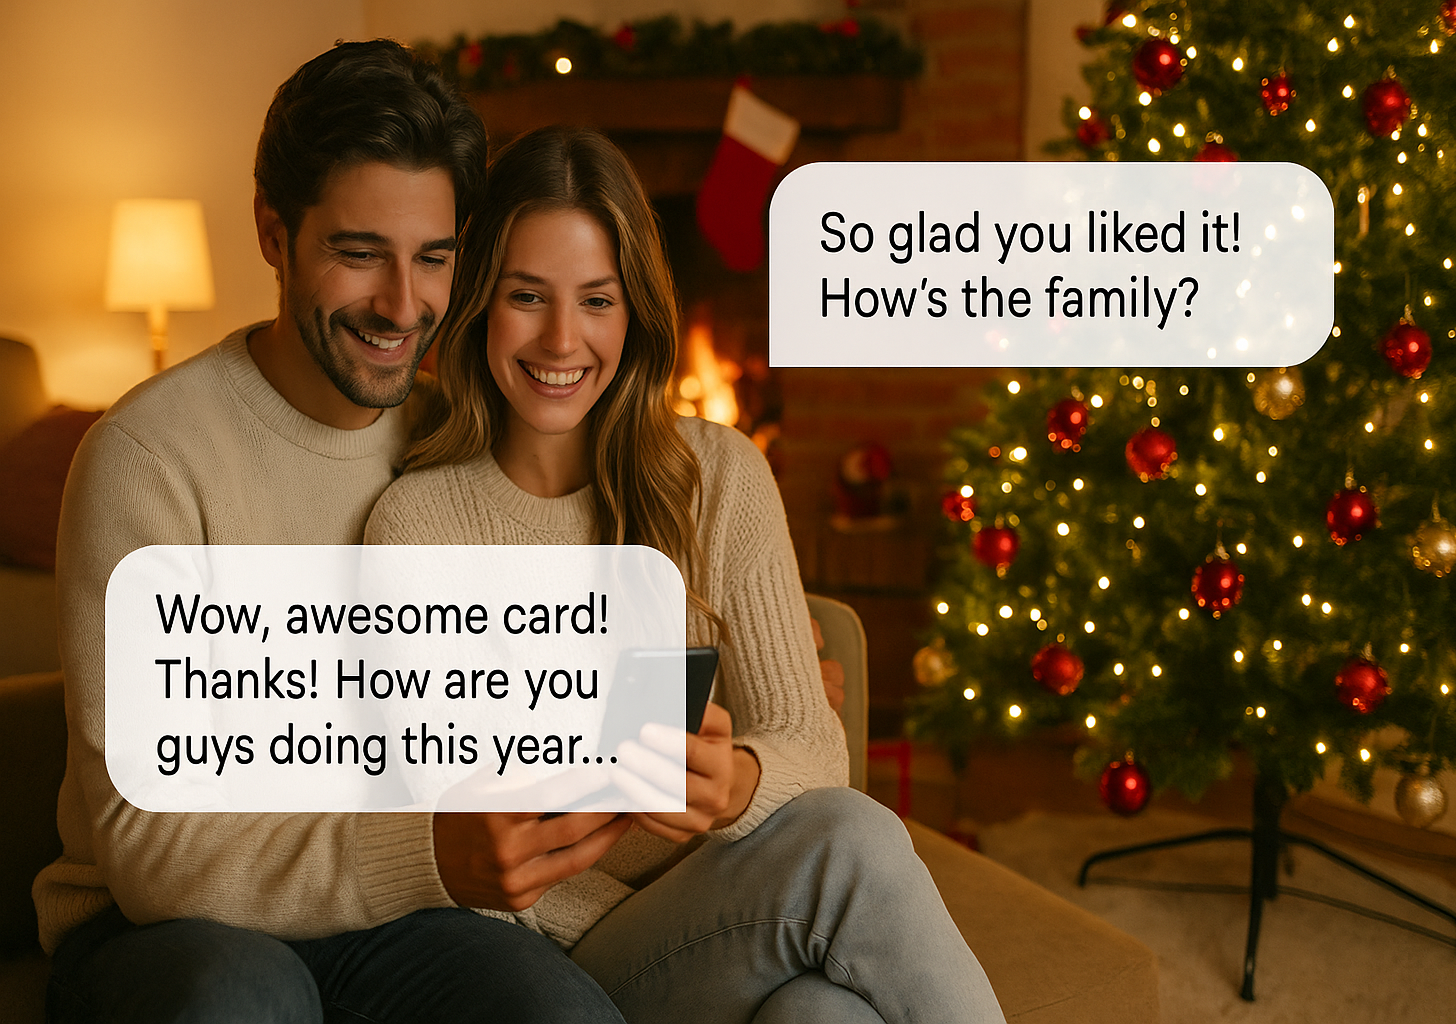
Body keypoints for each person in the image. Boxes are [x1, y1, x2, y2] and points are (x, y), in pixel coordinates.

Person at [36, 41, 634, 1023]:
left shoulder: (459, 437)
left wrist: (735, 659)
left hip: (397, 915)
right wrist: (427, 850)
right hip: (167, 928)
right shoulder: (149, 461)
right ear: (275, 232)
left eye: (433, 258)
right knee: (241, 999)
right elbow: (152, 854)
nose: (404, 308)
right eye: (359, 255)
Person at [364, 125, 1005, 1023]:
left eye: (597, 299)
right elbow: (450, 834)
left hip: (740, 914)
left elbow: (814, 743)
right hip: (563, 958)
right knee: (850, 841)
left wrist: (738, 782)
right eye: (526, 296)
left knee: (822, 1017)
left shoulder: (720, 477)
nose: (562, 338)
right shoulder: (418, 531)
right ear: (479, 303)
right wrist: (718, 918)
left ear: (634, 313)